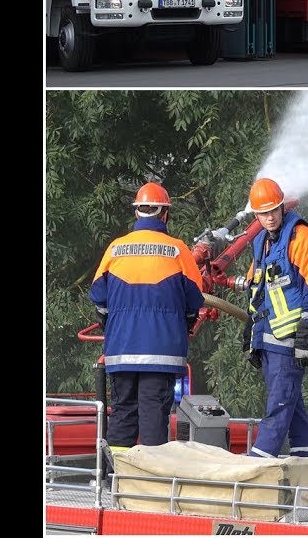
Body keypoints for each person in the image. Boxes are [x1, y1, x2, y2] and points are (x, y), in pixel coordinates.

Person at [90, 182, 204, 457]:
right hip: (161, 352)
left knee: (123, 413)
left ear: (137, 213)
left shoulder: (116, 249)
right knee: (154, 414)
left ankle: (114, 478)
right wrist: (185, 324)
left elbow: (98, 297)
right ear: (165, 214)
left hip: (121, 351)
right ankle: (151, 482)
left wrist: (114, 328)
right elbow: (195, 300)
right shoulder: (177, 250)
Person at [241, 177, 308, 459]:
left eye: (273, 210)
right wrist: (251, 330)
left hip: (291, 339)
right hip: (269, 339)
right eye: (263, 213)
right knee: (292, 406)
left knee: (279, 404)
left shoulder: (302, 237)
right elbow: (257, 288)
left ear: (282, 207)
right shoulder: (260, 242)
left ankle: (258, 462)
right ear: (255, 215)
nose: (269, 217)